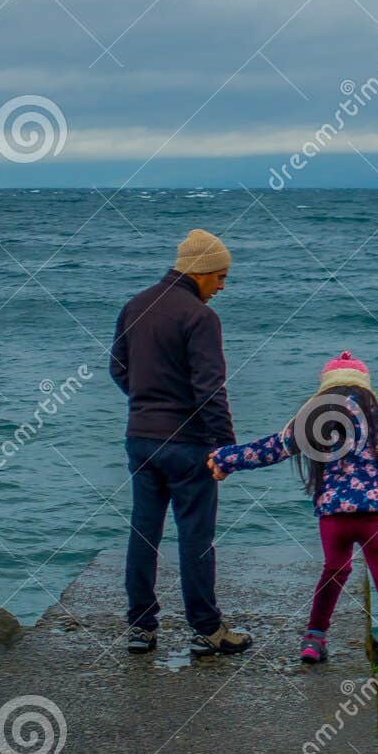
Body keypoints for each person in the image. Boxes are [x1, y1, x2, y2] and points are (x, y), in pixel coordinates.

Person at [209, 351, 378, 687]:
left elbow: (272, 448)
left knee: (335, 571)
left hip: (333, 515)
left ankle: (314, 638)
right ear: (365, 386)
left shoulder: (316, 418)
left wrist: (225, 458)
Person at [109, 228, 252, 658]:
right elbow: (211, 389)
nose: (222, 287)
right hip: (188, 445)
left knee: (144, 532)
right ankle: (207, 630)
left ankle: (141, 628)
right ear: (202, 272)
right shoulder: (200, 317)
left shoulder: (135, 306)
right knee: (195, 537)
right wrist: (226, 448)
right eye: (221, 277)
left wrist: (147, 404)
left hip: (141, 438)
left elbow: (118, 369)